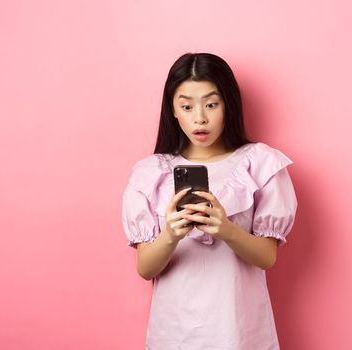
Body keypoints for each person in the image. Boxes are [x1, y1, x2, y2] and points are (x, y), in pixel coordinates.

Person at [121, 52, 298, 349]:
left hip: (238, 330)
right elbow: (146, 269)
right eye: (187, 106)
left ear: (228, 105)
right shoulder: (150, 173)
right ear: (173, 110)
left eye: (211, 104)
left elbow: (267, 258)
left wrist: (225, 229)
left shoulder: (259, 164)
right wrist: (171, 235)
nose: (199, 117)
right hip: (174, 331)